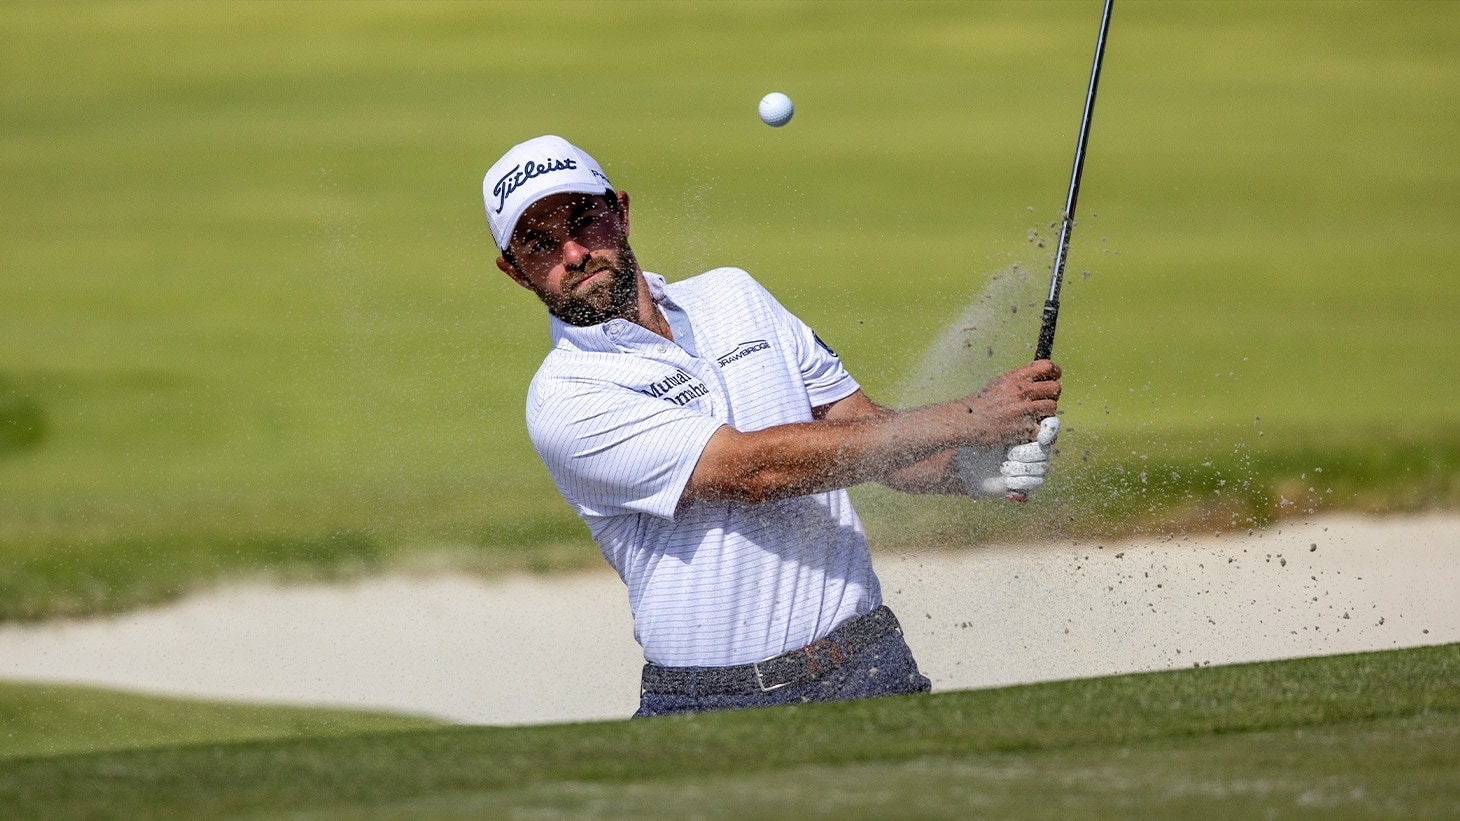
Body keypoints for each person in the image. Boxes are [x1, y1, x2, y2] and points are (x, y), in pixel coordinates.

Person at [483, 135, 1062, 717]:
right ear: (514, 272)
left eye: (585, 221)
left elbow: (864, 433)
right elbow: (753, 472)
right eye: (541, 244)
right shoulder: (565, 397)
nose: (574, 253)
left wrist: (969, 468)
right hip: (714, 704)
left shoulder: (733, 295)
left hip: (869, 663)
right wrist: (969, 418)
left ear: (622, 213)